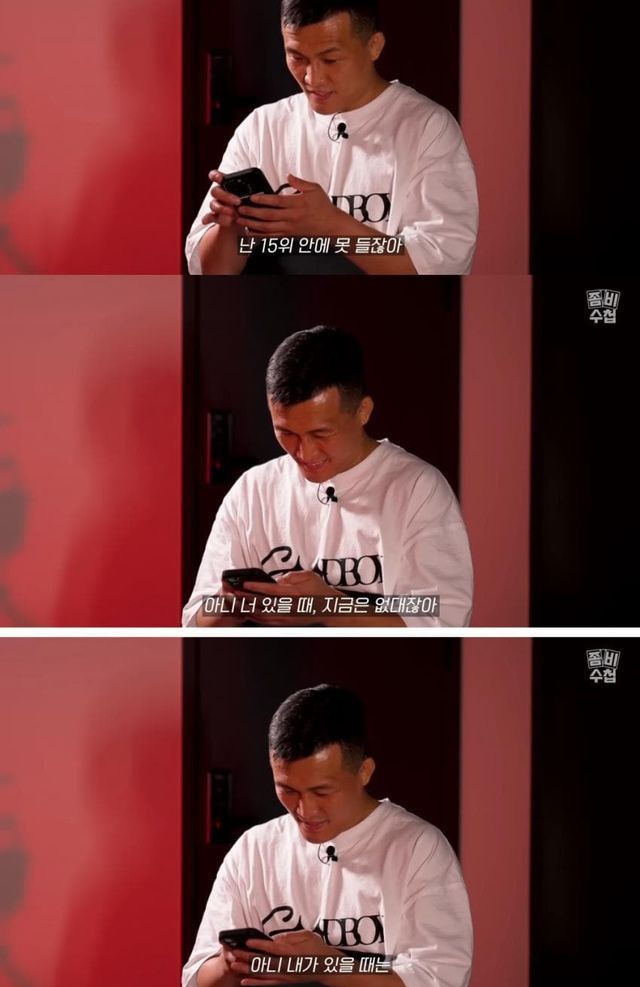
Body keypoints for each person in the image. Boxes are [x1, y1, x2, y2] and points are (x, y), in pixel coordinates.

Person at [182, 685, 473, 987]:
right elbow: (196, 985)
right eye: (287, 790)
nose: (305, 810)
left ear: (364, 772)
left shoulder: (418, 848)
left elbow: (441, 984)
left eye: (322, 792)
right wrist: (228, 964)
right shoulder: (253, 850)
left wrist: (327, 966)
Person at [182, 327, 473, 629]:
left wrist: (328, 608)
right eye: (286, 433)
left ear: (363, 411)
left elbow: (440, 620)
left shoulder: (417, 488)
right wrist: (229, 604)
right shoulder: (252, 490)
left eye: (321, 433)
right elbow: (194, 622)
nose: (304, 452)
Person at [185, 1, 478, 277]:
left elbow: (441, 262)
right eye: (297, 57)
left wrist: (332, 225)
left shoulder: (427, 127)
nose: (312, 78)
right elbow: (208, 271)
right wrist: (230, 228)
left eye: (330, 59)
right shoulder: (262, 127)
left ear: (374, 46)